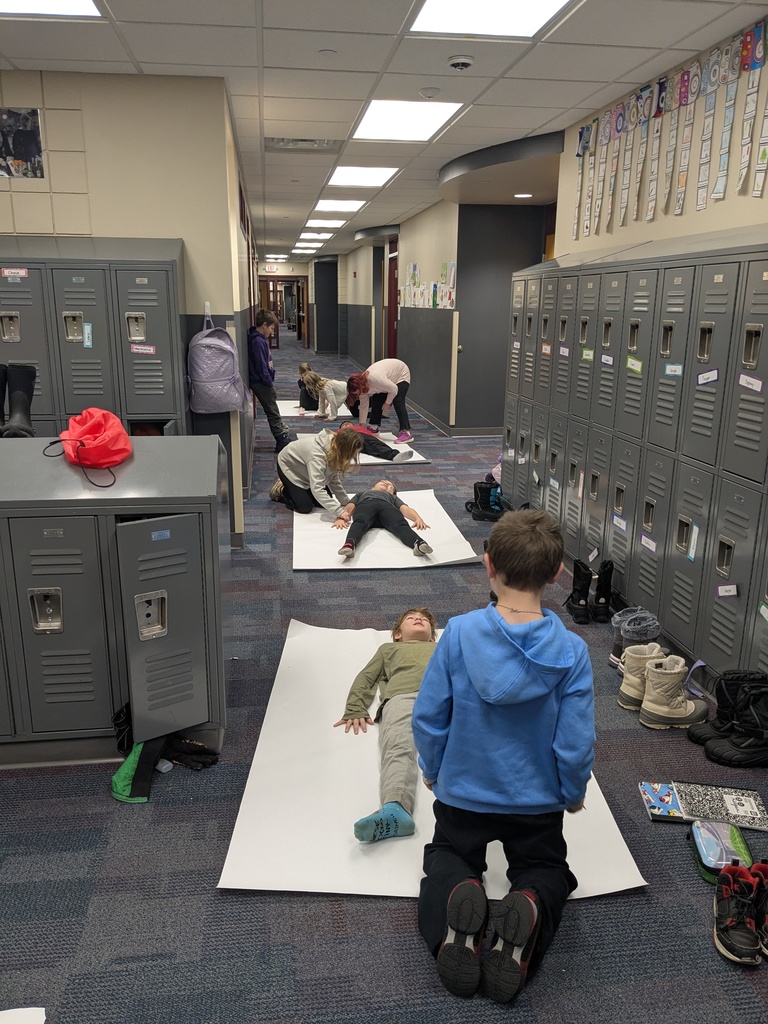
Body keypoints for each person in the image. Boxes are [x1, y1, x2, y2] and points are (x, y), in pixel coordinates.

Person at [411, 508, 595, 1004]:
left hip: (464, 793)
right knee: (547, 870)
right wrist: (571, 792)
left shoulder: (461, 633)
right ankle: (529, 903)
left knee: (447, 857)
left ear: (488, 564)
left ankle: (456, 906)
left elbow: (429, 716)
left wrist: (432, 770)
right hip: (535, 802)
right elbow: (575, 741)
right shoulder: (574, 652)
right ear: (557, 573)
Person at [333, 607, 439, 843]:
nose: (418, 619)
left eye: (423, 619)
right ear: (398, 634)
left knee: (469, 745)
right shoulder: (389, 649)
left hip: (447, 697)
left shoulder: (443, 646)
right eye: (411, 619)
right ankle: (395, 808)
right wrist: (355, 707)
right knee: (398, 747)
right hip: (402, 698)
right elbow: (366, 678)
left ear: (433, 635)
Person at [271, 427, 362, 515]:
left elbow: (333, 478)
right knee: (305, 507)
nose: (353, 457)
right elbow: (317, 489)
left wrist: (345, 502)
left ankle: (300, 490)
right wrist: (339, 512)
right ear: (344, 449)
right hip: (290, 467)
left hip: (305, 469)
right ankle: (282, 489)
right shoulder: (317, 456)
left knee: (324, 502)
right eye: (352, 454)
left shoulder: (335, 448)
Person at [334, 479, 433, 559]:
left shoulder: (392, 498)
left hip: (387, 508)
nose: (386, 483)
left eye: (390, 485)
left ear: (393, 492)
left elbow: (405, 509)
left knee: (401, 524)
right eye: (383, 481)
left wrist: (418, 518)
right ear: (373, 488)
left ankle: (418, 543)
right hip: (366, 505)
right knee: (360, 521)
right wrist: (341, 517)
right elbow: (350, 506)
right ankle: (350, 544)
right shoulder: (362, 493)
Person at [247, 309, 293, 451]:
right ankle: (280, 438)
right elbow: (261, 365)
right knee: (272, 410)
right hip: (261, 382)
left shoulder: (260, 340)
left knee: (273, 408)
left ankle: (282, 434)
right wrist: (268, 382)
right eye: (271, 328)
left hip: (263, 380)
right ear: (264, 325)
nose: (272, 332)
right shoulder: (257, 342)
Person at [346, 358, 413, 442]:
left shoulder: (376, 379)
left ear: (361, 386)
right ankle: (374, 427)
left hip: (400, 374)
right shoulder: (361, 388)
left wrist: (387, 403)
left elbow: (394, 389)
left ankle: (406, 432)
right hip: (386, 380)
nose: (357, 395)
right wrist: (361, 427)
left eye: (356, 392)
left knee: (398, 400)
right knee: (376, 399)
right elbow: (364, 406)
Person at [337, 422, 414, 464]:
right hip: (347, 437)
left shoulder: (360, 429)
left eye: (348, 423)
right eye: (344, 425)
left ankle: (394, 455)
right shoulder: (339, 432)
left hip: (361, 437)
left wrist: (378, 439)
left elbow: (372, 437)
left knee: (374, 445)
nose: (346, 425)